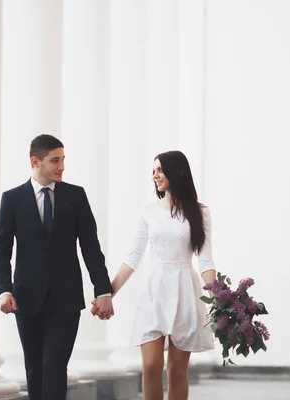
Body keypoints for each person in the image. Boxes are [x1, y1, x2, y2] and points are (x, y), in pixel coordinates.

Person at [0, 134, 114, 400]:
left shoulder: (76, 196)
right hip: (26, 299)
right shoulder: (12, 199)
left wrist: (103, 290)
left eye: (63, 159)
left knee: (54, 368)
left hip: (66, 300)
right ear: (36, 161)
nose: (62, 166)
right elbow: (0, 249)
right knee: (34, 370)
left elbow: (90, 246)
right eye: (55, 160)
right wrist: (3, 290)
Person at [92, 150, 217, 400]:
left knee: (177, 371)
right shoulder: (149, 211)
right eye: (154, 171)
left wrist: (221, 298)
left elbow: (205, 260)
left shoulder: (200, 213)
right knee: (150, 366)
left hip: (185, 291)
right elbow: (133, 258)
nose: (155, 175)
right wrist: (107, 293)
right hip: (154, 291)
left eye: (160, 170)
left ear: (177, 171)